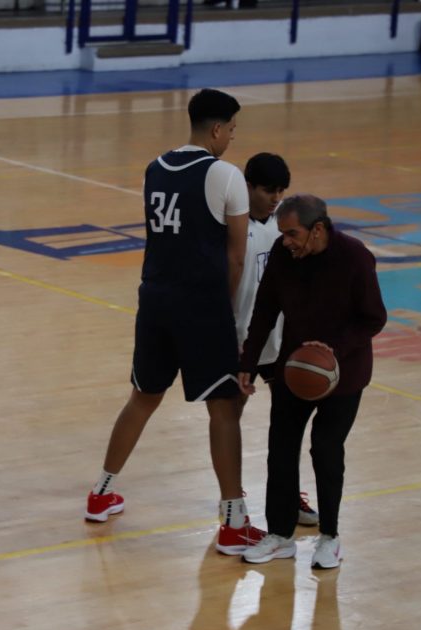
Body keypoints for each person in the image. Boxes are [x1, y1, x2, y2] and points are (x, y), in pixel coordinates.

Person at [84, 88, 264, 556]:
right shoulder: (225, 175)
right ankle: (233, 521)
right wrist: (226, 312)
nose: (232, 138)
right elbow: (237, 257)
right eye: (232, 129)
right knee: (223, 406)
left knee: (143, 397)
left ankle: (101, 492)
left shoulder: (155, 167)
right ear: (217, 128)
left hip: (155, 298)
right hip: (200, 305)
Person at [237, 194, 386, 568]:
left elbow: (374, 318)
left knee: (326, 448)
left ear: (317, 229)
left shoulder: (355, 258)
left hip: (343, 373)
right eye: (282, 233)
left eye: (292, 233)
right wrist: (248, 362)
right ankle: (280, 535)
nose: (285, 241)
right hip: (295, 369)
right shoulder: (283, 254)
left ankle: (330, 537)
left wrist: (334, 349)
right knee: (281, 447)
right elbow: (265, 308)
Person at [233, 153, 318, 528]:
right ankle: (232, 495)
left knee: (289, 424)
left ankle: (289, 493)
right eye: (269, 190)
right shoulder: (231, 225)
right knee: (229, 419)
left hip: (281, 340)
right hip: (240, 340)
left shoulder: (288, 228)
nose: (276, 198)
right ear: (248, 186)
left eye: (281, 191)